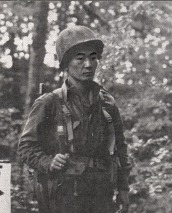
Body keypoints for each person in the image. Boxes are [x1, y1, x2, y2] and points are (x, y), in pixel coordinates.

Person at [18, 25, 131, 213]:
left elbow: (120, 148)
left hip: (101, 194)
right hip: (65, 196)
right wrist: (48, 162)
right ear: (66, 63)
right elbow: (26, 147)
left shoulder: (107, 104)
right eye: (80, 58)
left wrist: (124, 188)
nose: (88, 64)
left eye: (93, 58)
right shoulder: (49, 102)